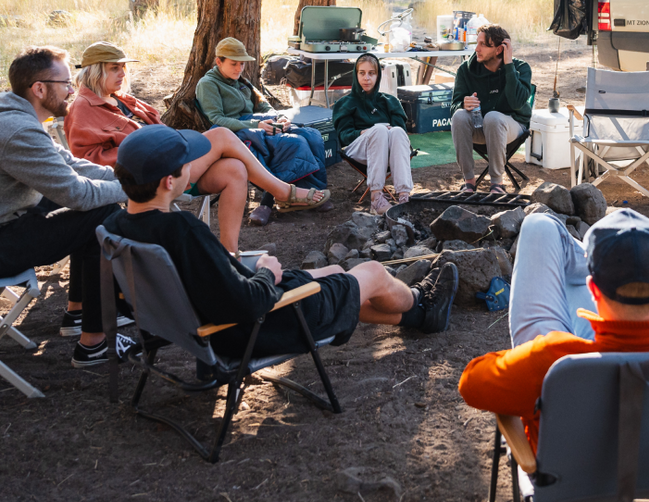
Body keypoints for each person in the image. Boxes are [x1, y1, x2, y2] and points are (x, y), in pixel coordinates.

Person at [104, 125, 459, 370]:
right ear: (170, 182)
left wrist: (254, 275)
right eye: (188, 163)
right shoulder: (183, 230)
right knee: (373, 272)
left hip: (207, 324)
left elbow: (212, 284)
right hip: (255, 327)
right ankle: (419, 299)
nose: (194, 166)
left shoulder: (116, 226)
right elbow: (248, 302)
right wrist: (264, 274)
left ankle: (420, 316)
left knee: (336, 272)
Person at [458, 208, 649, 454]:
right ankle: (583, 256)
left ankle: (581, 256)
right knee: (553, 252)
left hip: (572, 474)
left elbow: (470, 385)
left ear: (594, 289)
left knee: (538, 227)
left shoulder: (554, 360)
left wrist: (527, 358)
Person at [64, 40, 325, 253]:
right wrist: (145, 149)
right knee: (221, 134)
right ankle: (281, 191)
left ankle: (229, 254)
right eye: (114, 68)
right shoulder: (83, 108)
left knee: (234, 169)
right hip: (149, 176)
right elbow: (87, 160)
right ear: (95, 71)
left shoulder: (122, 100)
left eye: (123, 68)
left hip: (171, 161)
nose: (122, 74)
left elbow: (157, 129)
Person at [0, 46, 131, 368]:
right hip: (4, 239)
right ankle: (93, 342)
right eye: (66, 84)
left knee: (96, 211)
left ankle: (81, 311)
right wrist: (140, 190)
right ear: (40, 89)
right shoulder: (17, 130)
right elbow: (77, 194)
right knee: (102, 213)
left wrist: (129, 177)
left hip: (14, 216)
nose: (73, 91)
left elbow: (71, 166)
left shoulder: (16, 114)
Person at [196, 37, 333, 229]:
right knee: (293, 143)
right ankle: (274, 199)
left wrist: (279, 118)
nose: (239, 68)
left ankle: (314, 190)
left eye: (242, 64)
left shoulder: (241, 81)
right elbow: (217, 120)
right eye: (233, 64)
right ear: (219, 61)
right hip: (234, 133)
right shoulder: (208, 84)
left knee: (312, 136)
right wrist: (256, 124)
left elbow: (264, 105)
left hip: (260, 123)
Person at [449, 25, 531, 194]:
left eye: (484, 45)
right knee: (459, 116)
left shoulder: (521, 68)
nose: (477, 49)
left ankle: (497, 183)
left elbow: (516, 103)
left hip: (512, 126)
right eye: (477, 43)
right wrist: (462, 104)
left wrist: (508, 66)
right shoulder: (466, 70)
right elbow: (454, 107)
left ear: (499, 49)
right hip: (480, 127)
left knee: (493, 118)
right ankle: (469, 182)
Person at [332, 53, 415, 215]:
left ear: (378, 76)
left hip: (389, 151)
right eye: (362, 73)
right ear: (356, 75)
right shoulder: (345, 103)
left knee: (396, 131)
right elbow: (344, 136)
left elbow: (401, 134)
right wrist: (362, 132)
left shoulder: (390, 102)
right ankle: (376, 198)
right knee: (379, 130)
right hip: (357, 150)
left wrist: (389, 130)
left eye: (372, 73)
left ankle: (404, 196)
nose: (367, 78)